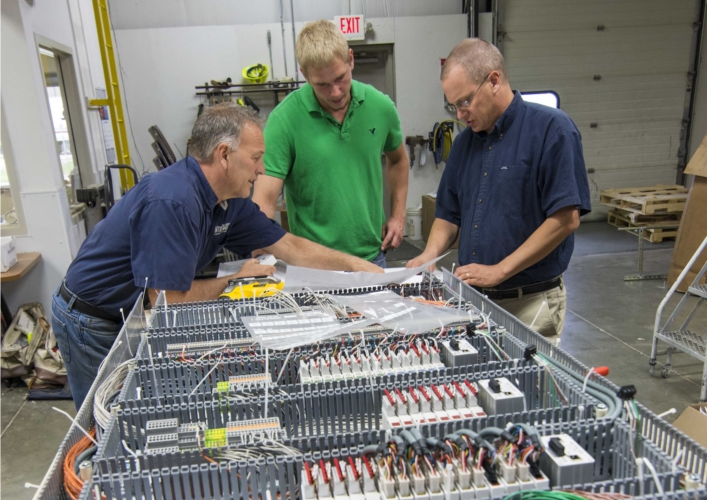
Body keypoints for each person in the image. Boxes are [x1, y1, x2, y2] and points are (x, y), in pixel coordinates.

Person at [52, 104, 381, 409]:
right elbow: (169, 300)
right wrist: (230, 282)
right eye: (256, 158)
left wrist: (355, 267)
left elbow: (290, 247)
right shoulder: (173, 200)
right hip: (92, 319)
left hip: (128, 311)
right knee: (108, 421)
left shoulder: (231, 201)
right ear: (224, 154)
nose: (262, 169)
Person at [407, 39, 590, 344]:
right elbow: (448, 214)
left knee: (526, 389)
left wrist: (500, 271)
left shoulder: (552, 130)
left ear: (493, 80)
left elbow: (565, 219)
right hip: (473, 302)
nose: (460, 114)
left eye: (465, 101)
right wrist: (428, 255)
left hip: (529, 303)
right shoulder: (465, 144)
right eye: (453, 105)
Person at [252, 20, 409, 267]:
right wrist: (260, 257)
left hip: (371, 259)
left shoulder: (381, 108)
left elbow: (398, 159)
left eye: (340, 78)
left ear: (351, 59)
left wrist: (399, 216)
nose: (335, 92)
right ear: (304, 74)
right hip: (313, 266)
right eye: (322, 84)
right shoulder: (284, 120)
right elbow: (264, 200)